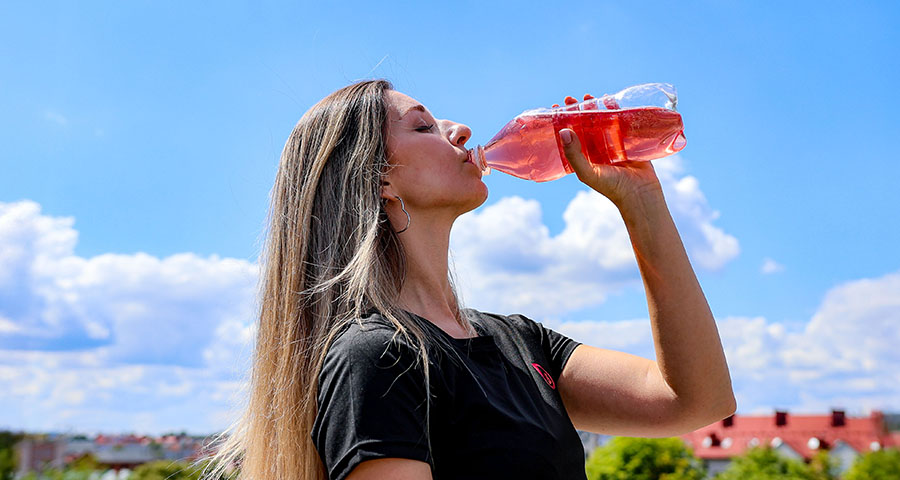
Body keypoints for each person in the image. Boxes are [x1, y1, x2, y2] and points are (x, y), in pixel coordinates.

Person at [199, 79, 736, 480]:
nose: (463, 131)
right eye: (424, 126)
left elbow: (696, 401)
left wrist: (642, 203)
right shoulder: (375, 357)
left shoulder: (518, 342)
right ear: (380, 178)